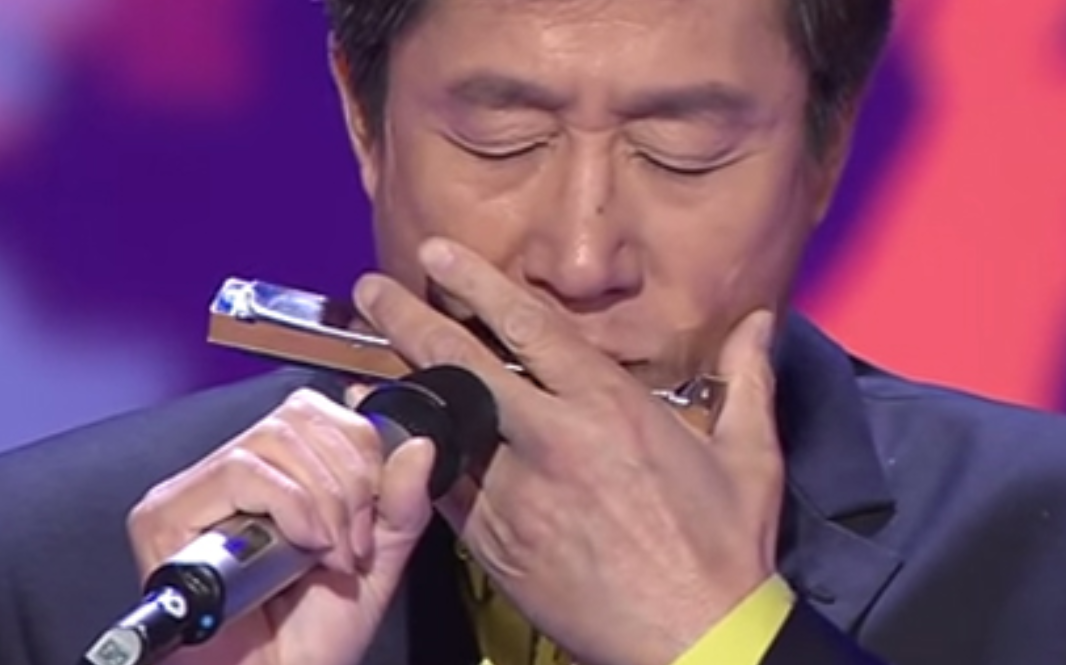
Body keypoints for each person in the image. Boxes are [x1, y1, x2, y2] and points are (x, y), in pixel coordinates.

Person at [3, 0, 1066, 664]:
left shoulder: (1040, 542)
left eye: (684, 151)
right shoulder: (50, 558)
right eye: (500, 138)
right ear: (364, 121)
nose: (581, 257)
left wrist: (720, 640)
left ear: (826, 150)